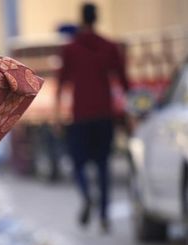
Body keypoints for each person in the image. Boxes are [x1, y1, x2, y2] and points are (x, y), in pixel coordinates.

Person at [56, 2, 130, 232]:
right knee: (103, 165)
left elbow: (62, 84)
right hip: (104, 115)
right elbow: (124, 81)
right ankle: (105, 216)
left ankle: (87, 195)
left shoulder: (71, 48)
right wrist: (128, 112)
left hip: (80, 116)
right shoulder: (109, 46)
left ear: (82, 19)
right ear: (96, 19)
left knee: (78, 164)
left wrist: (58, 114)